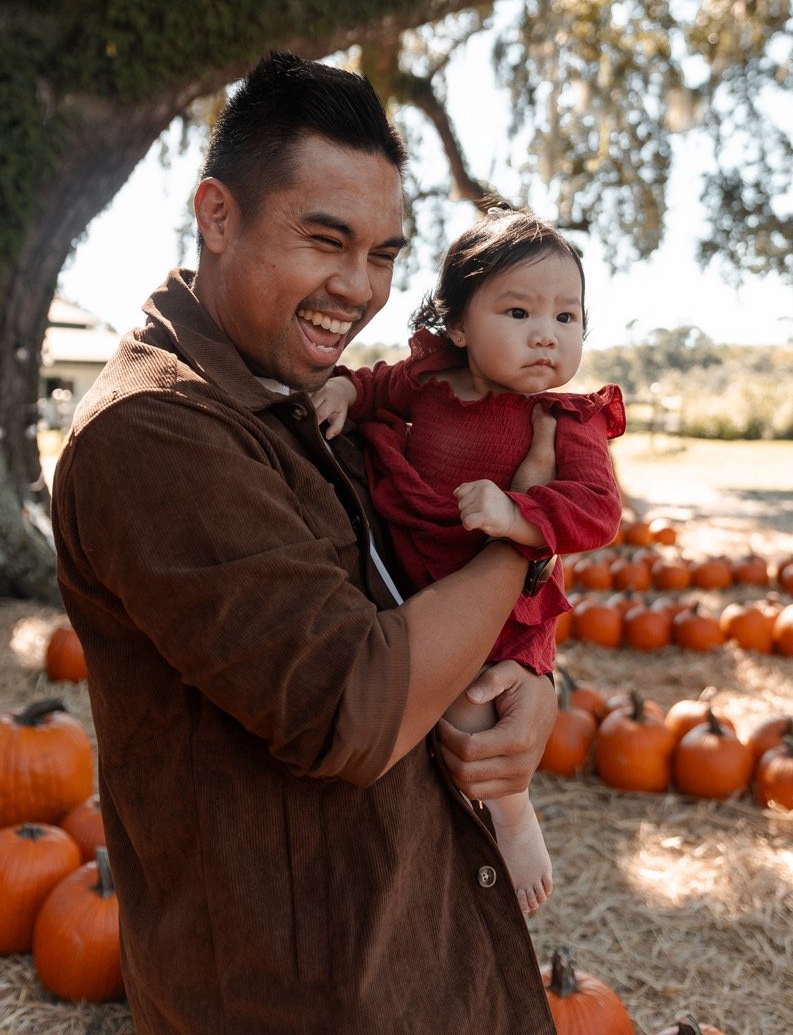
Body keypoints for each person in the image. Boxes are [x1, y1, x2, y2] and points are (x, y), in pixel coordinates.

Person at [50, 51, 563, 1035]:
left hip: (410, 940)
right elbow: (352, 706)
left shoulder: (306, 395)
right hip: (292, 991)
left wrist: (534, 680)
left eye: (384, 254)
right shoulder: (152, 434)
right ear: (217, 215)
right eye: (326, 240)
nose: (359, 288)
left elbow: (426, 577)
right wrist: (521, 535)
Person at [311, 211, 625, 914]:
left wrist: (519, 515)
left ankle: (511, 813)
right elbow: (378, 386)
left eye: (567, 316)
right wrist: (345, 390)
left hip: (503, 606)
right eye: (518, 312)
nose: (546, 334)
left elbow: (598, 510)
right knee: (423, 682)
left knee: (469, 695)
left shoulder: (565, 421)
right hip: (419, 573)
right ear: (456, 324)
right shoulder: (430, 382)